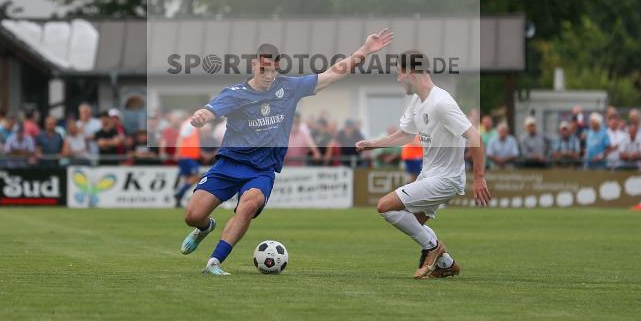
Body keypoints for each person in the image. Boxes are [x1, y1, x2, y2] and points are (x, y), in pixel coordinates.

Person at [180, 30, 393, 276]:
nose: (269, 75)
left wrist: (364, 50)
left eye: (274, 70)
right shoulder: (236, 94)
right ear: (254, 64)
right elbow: (211, 110)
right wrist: (201, 117)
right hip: (228, 164)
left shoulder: (290, 87)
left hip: (261, 170)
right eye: (264, 69)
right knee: (193, 216)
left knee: (248, 206)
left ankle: (214, 262)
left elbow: (335, 72)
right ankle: (205, 228)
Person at [356, 50, 491, 279]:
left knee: (385, 206)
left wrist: (479, 177)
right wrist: (374, 144)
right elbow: (406, 135)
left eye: (399, 73)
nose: (398, 78)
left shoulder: (441, 102)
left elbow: (474, 136)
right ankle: (446, 264)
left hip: (446, 179)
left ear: (411, 72)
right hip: (428, 175)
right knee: (414, 223)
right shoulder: (417, 101)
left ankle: (433, 248)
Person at [173, 117, 203, 207]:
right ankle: (179, 194)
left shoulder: (193, 125)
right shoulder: (189, 124)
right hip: (187, 156)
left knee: (188, 178)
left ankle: (179, 199)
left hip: (189, 156)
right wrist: (178, 152)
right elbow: (180, 138)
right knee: (196, 176)